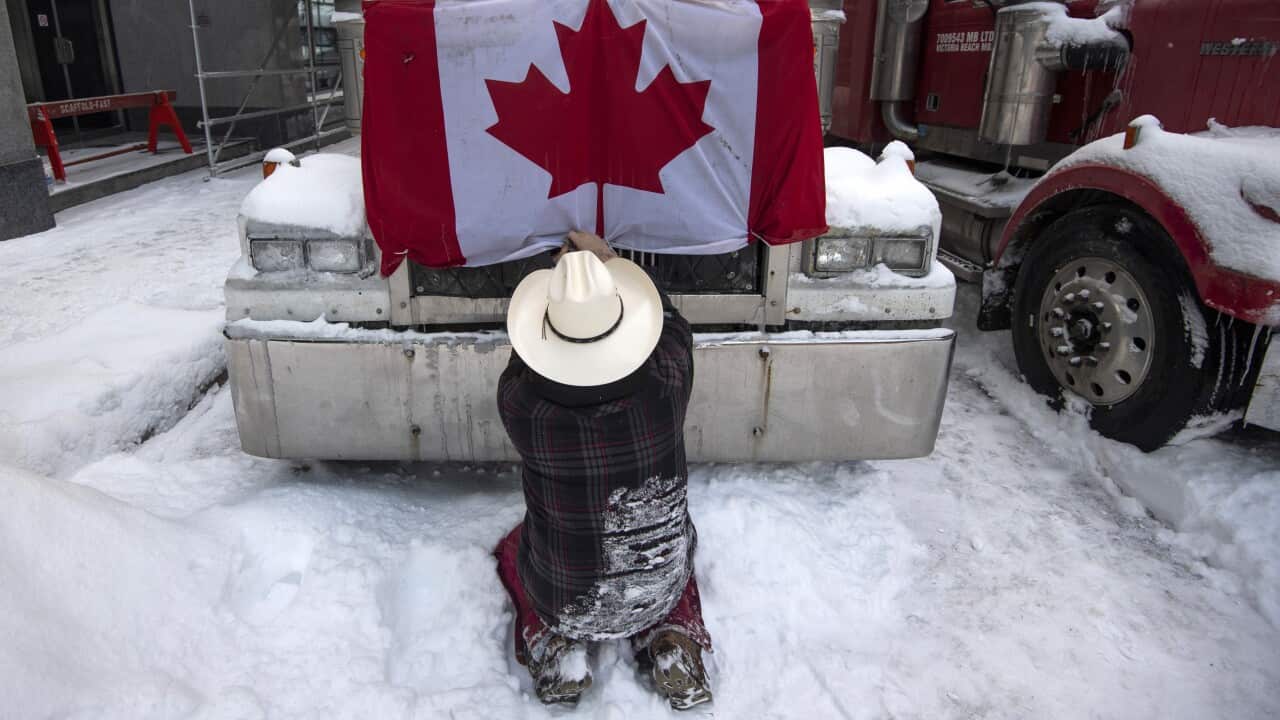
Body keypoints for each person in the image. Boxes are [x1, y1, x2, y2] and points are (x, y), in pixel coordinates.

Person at [493, 230, 712, 709]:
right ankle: (673, 639)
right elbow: (672, 325)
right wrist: (607, 261)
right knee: (674, 560)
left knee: (515, 548)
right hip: (655, 587)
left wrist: (558, 296)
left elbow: (522, 360)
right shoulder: (668, 386)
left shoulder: (523, 409)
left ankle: (556, 645)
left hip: (566, 599)